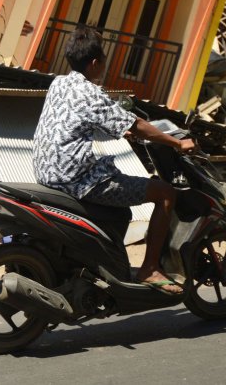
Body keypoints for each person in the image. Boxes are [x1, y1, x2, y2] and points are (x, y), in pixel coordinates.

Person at [32, 25, 196, 295]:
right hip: (77, 180)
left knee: (121, 208)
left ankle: (105, 266)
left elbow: (79, 123)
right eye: (104, 60)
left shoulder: (59, 84)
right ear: (95, 63)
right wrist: (177, 143)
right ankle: (150, 269)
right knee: (165, 193)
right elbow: (135, 126)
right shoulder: (91, 93)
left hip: (46, 172)